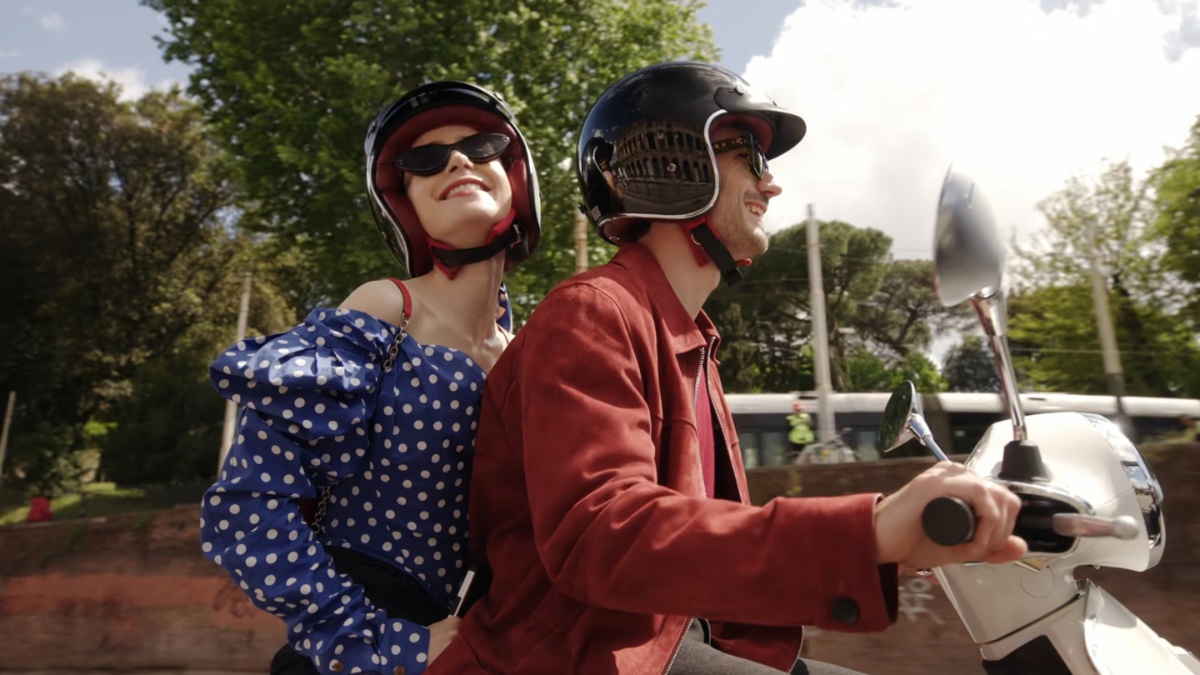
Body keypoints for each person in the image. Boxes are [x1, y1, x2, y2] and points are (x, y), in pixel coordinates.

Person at [429, 62, 1025, 675]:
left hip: (663, 646)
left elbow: (704, 532)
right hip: (578, 655)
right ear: (674, 167)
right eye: (751, 157)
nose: (772, 187)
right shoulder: (591, 314)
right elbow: (602, 534)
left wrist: (897, 548)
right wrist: (863, 532)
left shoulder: (692, 341)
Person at [198, 80, 542, 675]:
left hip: (480, 646)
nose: (459, 160)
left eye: (482, 146)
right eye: (425, 160)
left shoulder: (528, 351)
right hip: (364, 649)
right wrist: (383, 642)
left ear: (516, 175)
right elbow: (246, 507)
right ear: (403, 200)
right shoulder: (384, 311)